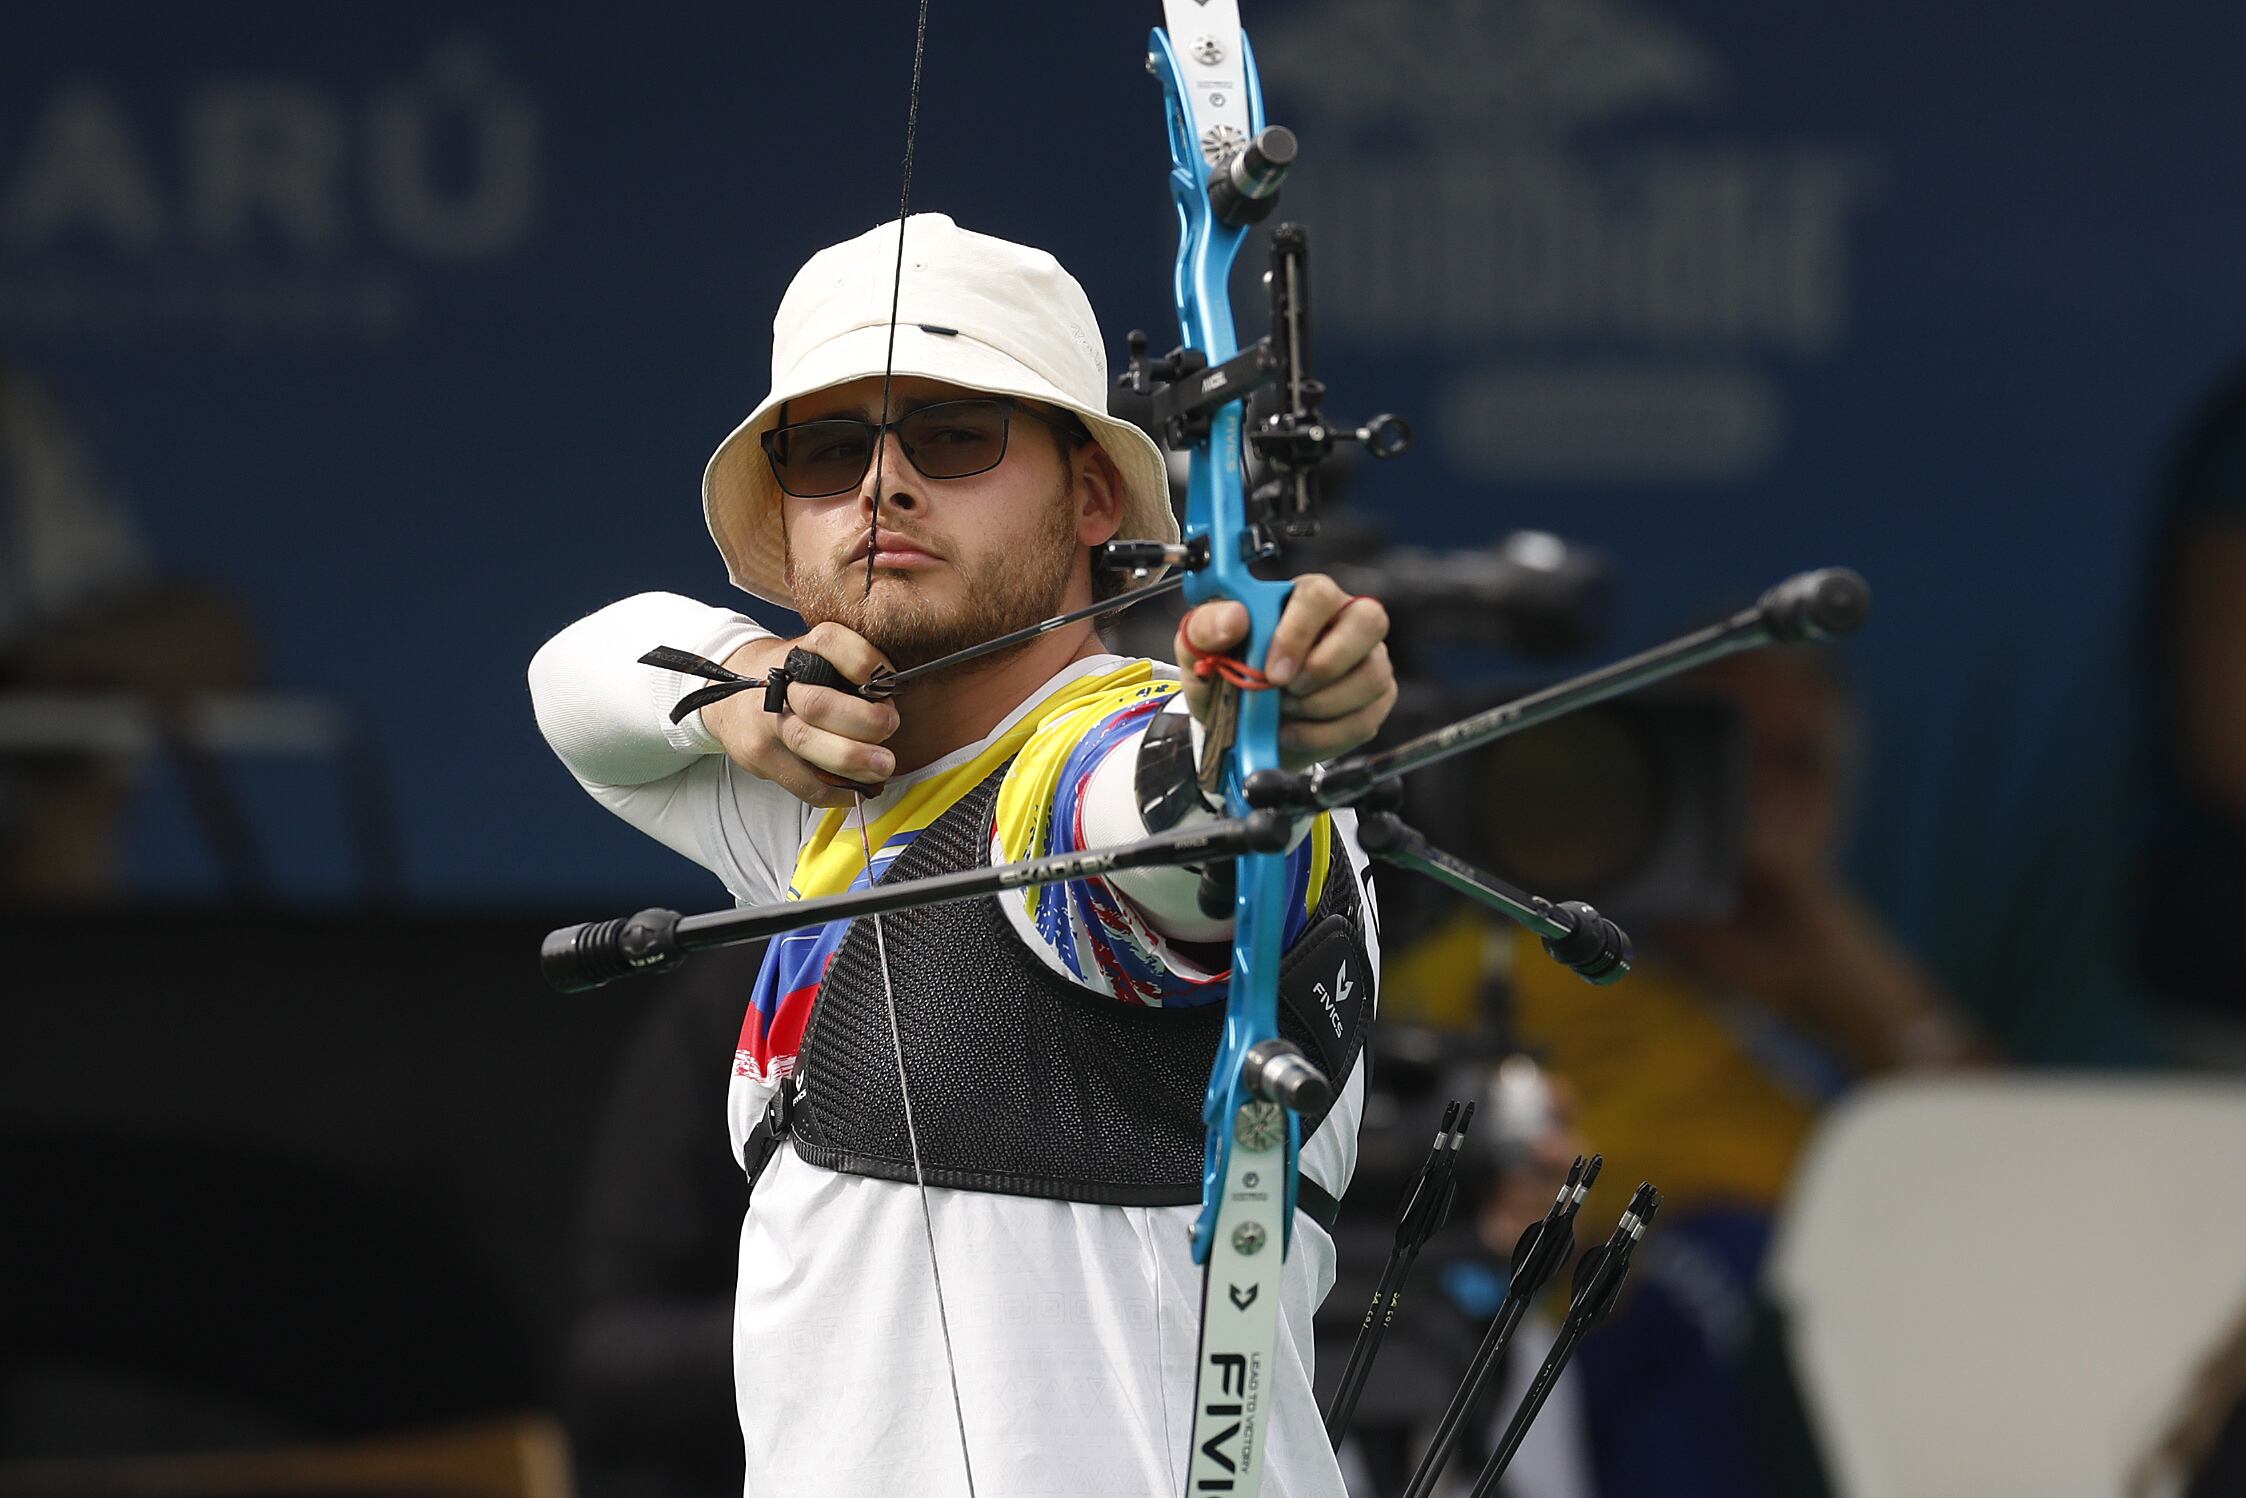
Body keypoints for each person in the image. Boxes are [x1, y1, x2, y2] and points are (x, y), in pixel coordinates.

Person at [528, 213, 1395, 1497]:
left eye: (950, 433)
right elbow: (573, 680)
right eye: (829, 448)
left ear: (1094, 495)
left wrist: (1247, 732)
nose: (882, 482)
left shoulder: (1103, 756)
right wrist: (743, 685)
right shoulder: (813, 802)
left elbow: (1144, 829)